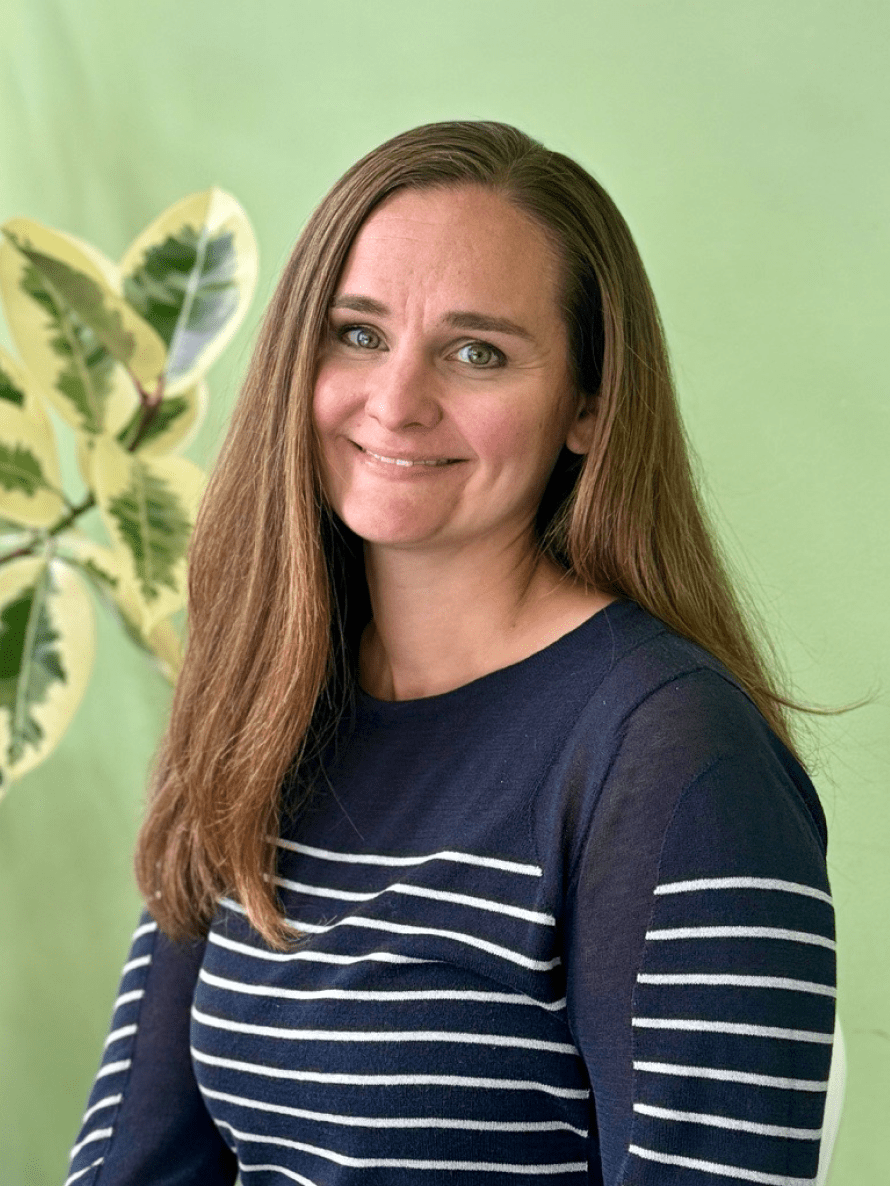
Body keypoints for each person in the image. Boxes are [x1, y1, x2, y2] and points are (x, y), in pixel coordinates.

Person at [65, 121, 836, 1186]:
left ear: (586, 408)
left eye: (477, 351)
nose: (396, 400)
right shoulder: (264, 694)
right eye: (358, 333)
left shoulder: (672, 758)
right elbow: (132, 1160)